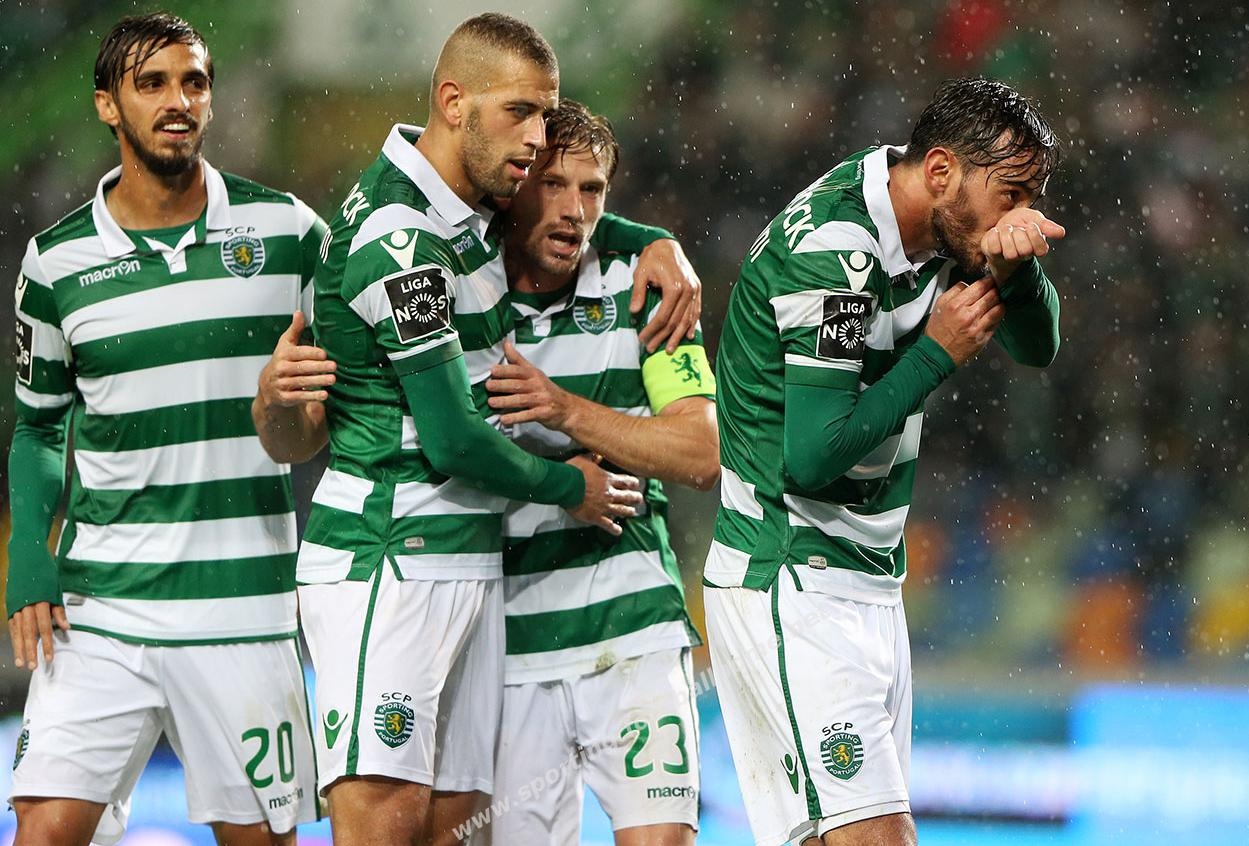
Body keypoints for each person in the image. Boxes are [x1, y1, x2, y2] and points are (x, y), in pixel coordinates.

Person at [261, 14, 700, 846]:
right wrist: (571, 486)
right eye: (521, 112)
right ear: (453, 102)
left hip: (469, 564)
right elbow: (453, 439)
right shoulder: (403, 240)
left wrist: (656, 241)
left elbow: (565, 211)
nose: (536, 137)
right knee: (384, 822)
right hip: (391, 560)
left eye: (546, 115)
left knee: (454, 830)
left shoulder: (466, 215)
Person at [702, 77, 1065, 846]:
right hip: (790, 576)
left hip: (867, 580)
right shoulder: (835, 253)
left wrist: (1017, 267)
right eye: (1012, 196)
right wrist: (935, 354)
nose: (1021, 217)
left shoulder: (944, 227)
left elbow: (1038, 347)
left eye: (1032, 200)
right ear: (941, 171)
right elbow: (812, 458)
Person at [6, 13, 323, 846]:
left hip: (243, 605)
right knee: (42, 828)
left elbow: (335, 406)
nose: (178, 101)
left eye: (194, 82)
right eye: (151, 84)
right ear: (107, 105)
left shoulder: (290, 233)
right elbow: (38, 428)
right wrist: (30, 551)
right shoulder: (54, 262)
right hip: (101, 606)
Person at [464, 100, 717, 846]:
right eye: (553, 185)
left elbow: (700, 453)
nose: (575, 211)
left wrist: (564, 409)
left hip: (633, 629)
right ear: (513, 185)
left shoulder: (645, 291)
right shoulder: (459, 295)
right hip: (507, 645)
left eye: (593, 189)